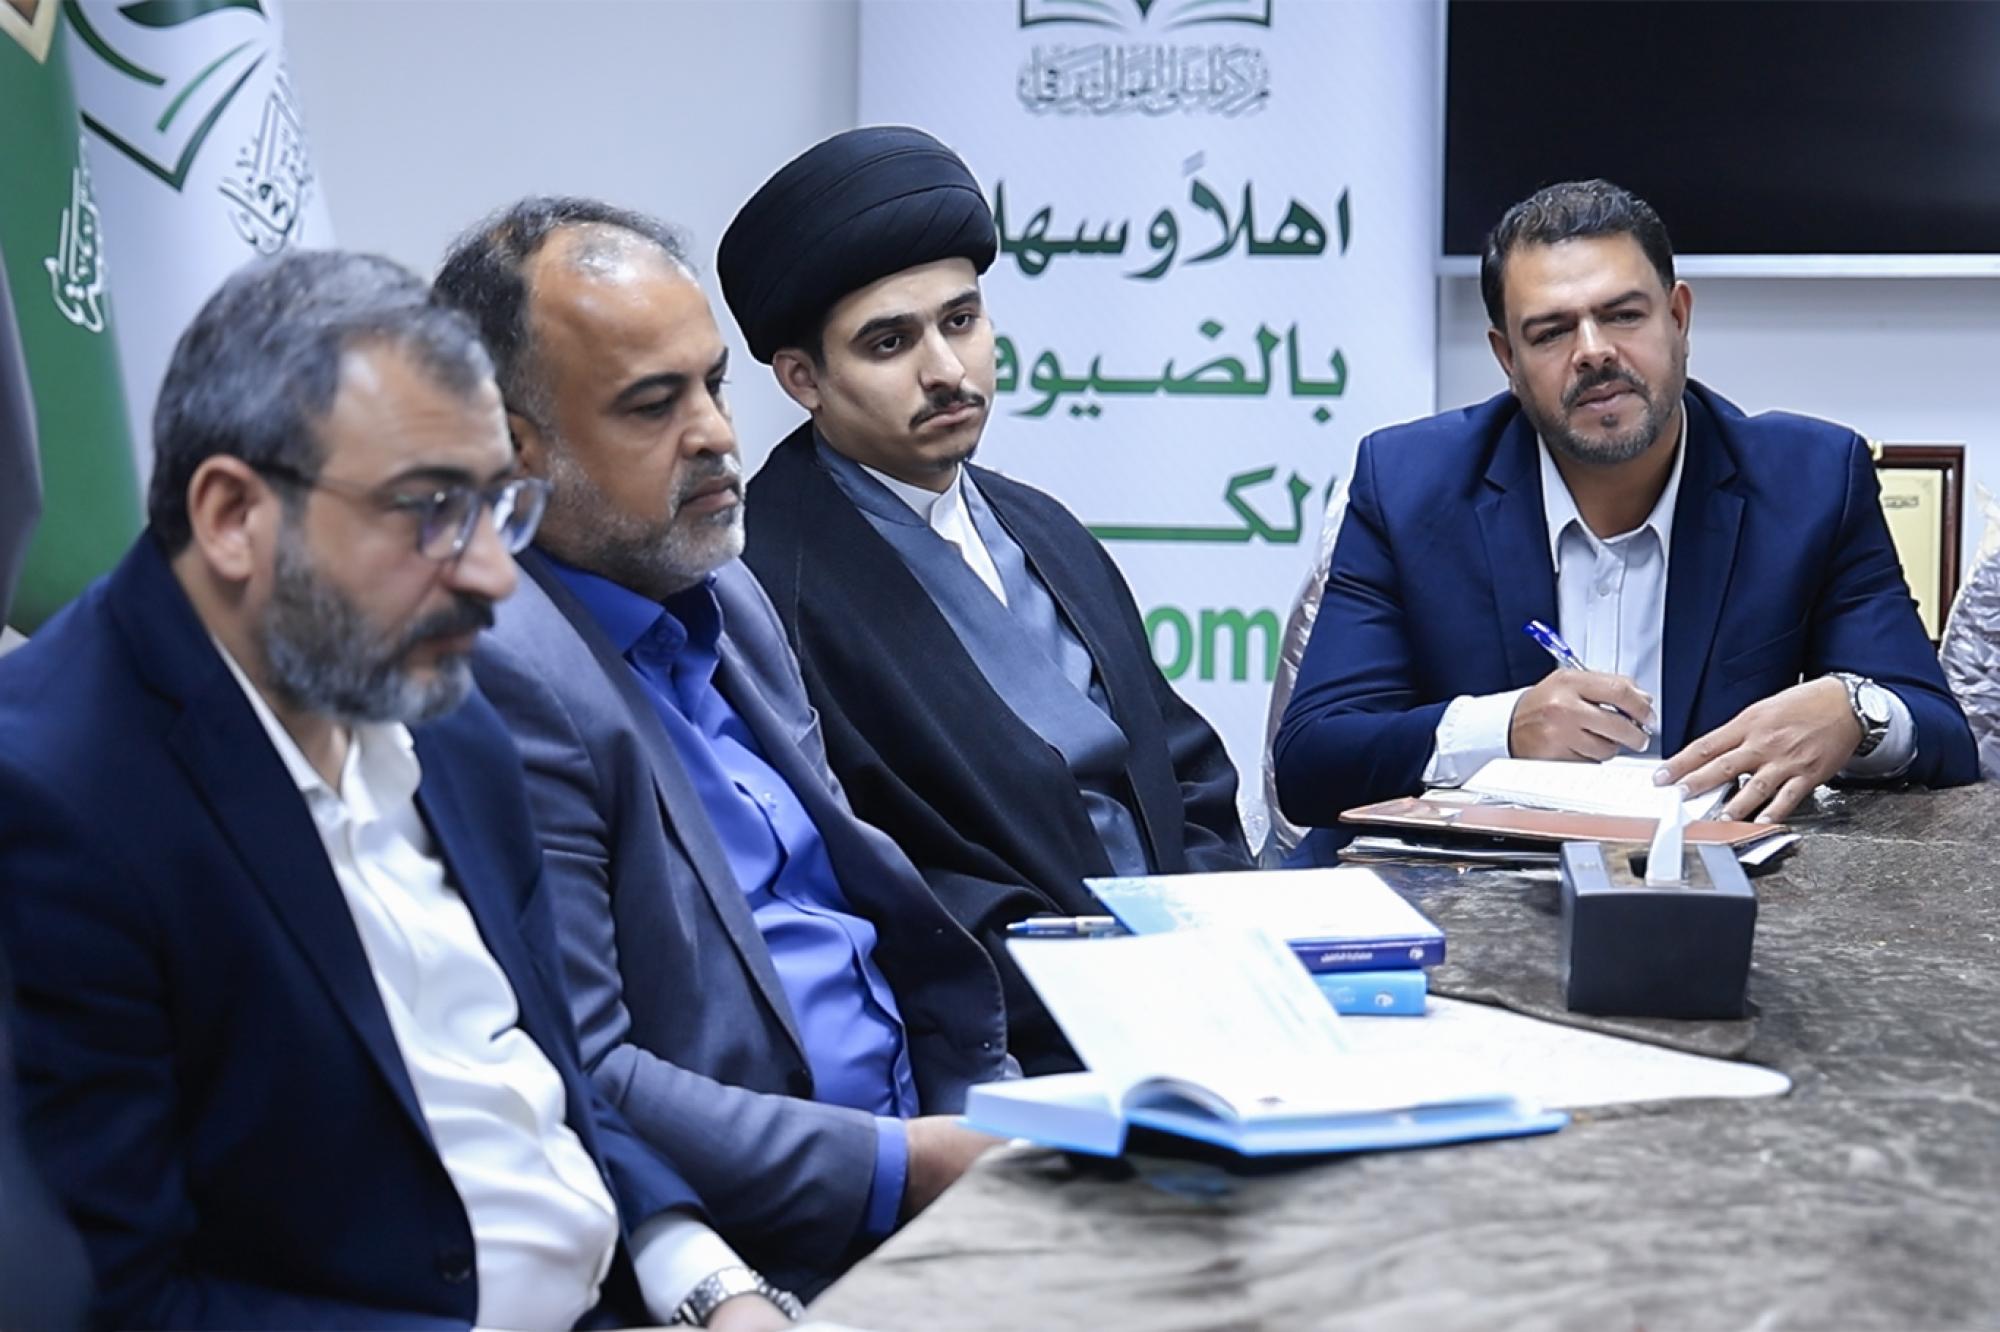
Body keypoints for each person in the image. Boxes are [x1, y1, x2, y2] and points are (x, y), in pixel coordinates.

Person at [0, 251, 794, 1330]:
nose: (492, 575)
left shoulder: (442, 713)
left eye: (498, 506)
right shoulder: (55, 799)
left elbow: (547, 1086)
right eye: (431, 511)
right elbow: (120, 1300)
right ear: (232, 514)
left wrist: (709, 1284)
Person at [435, 198, 1010, 1296]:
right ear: (512, 449)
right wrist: (905, 1165)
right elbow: (586, 1072)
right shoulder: (497, 669)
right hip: (775, 1245)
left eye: (712, 384)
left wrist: (984, 1122)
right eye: (654, 405)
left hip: (938, 1158)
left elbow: (848, 912)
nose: (715, 435)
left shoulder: (724, 592)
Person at [717, 127, 1252, 1071]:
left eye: (960, 321)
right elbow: (866, 875)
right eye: (891, 342)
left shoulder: (1043, 527)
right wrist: (1109, 982)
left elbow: (1185, 770)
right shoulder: (763, 585)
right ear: (803, 379)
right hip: (1001, 1049)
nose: (947, 371)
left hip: (1195, 996)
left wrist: (1212, 936)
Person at [1274, 179, 1977, 864]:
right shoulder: (1409, 484)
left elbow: (1945, 737)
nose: (1593, 351)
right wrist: (1506, 727)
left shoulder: (1810, 481)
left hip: (1716, 894)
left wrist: (1856, 713)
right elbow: (1312, 760)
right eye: (1551, 332)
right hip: (1464, 887)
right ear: (1507, 359)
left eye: (1623, 315)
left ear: (1678, 318)